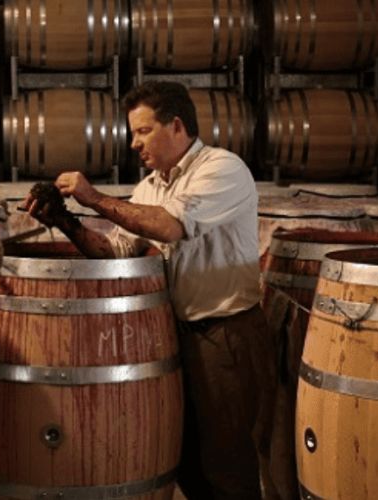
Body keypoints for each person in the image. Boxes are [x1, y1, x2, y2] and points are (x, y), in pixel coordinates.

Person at [24, 81, 277, 499]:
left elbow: (169, 226)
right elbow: (115, 252)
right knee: (187, 463)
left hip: (226, 335)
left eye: (142, 131)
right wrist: (66, 221)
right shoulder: (151, 187)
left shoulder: (222, 168)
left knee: (228, 466)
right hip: (178, 337)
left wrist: (94, 198)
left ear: (176, 126)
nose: (134, 143)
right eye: (133, 133)